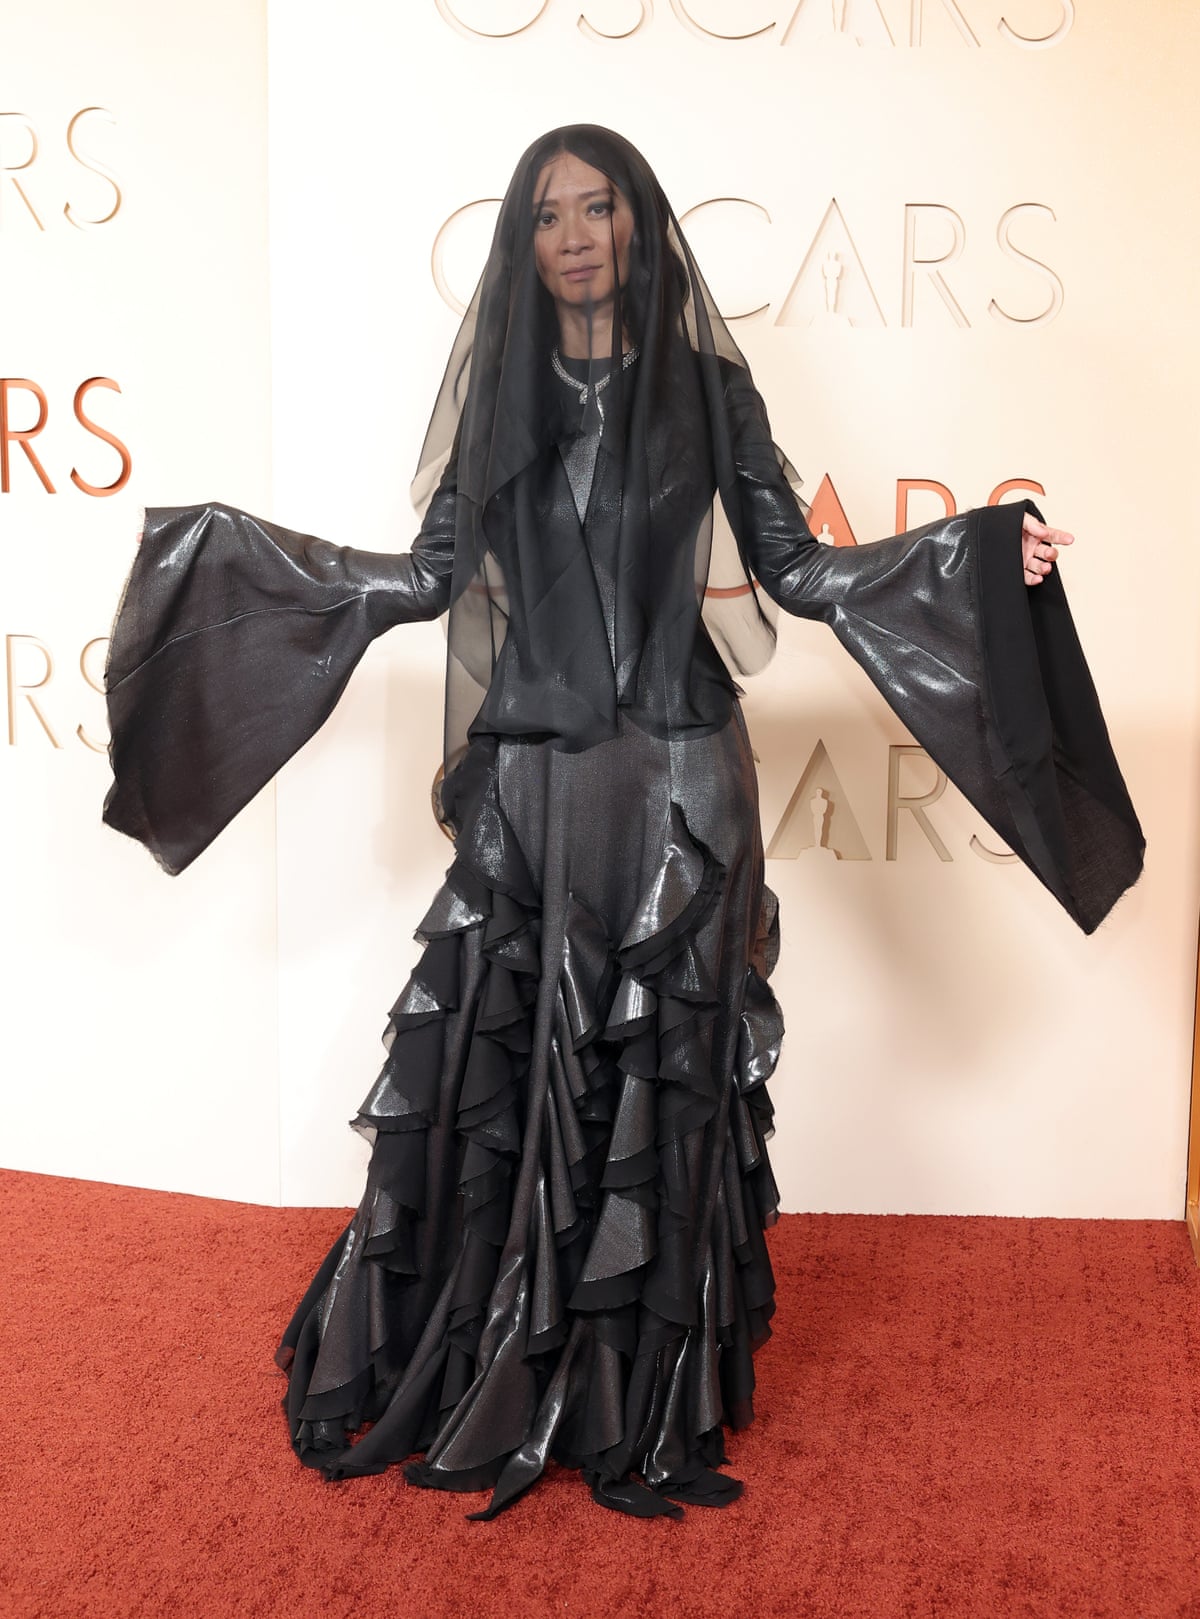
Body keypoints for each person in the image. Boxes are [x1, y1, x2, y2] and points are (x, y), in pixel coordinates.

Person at [103, 126, 1144, 1520]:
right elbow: (424, 580)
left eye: (601, 208)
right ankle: (512, 1362)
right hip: (537, 783)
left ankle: (646, 1401)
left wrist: (980, 550)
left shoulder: (712, 391)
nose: (578, 234)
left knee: (671, 1079)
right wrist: (215, 561)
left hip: (681, 782)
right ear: (523, 245)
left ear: (643, 227)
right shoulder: (495, 403)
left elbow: (801, 569)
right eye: (549, 215)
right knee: (515, 1073)